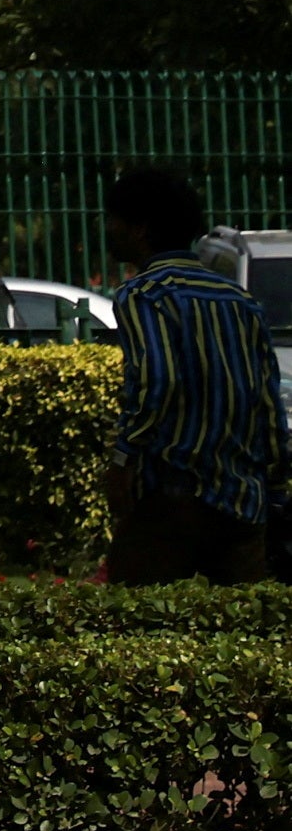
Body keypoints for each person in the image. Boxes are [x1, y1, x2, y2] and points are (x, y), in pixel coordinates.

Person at [100, 163, 275, 587]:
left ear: (140, 229)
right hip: (242, 500)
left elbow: (157, 382)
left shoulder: (143, 293)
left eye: (114, 221)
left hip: (171, 496)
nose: (108, 230)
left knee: (139, 623)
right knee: (239, 632)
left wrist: (122, 459)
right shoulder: (238, 299)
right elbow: (266, 399)